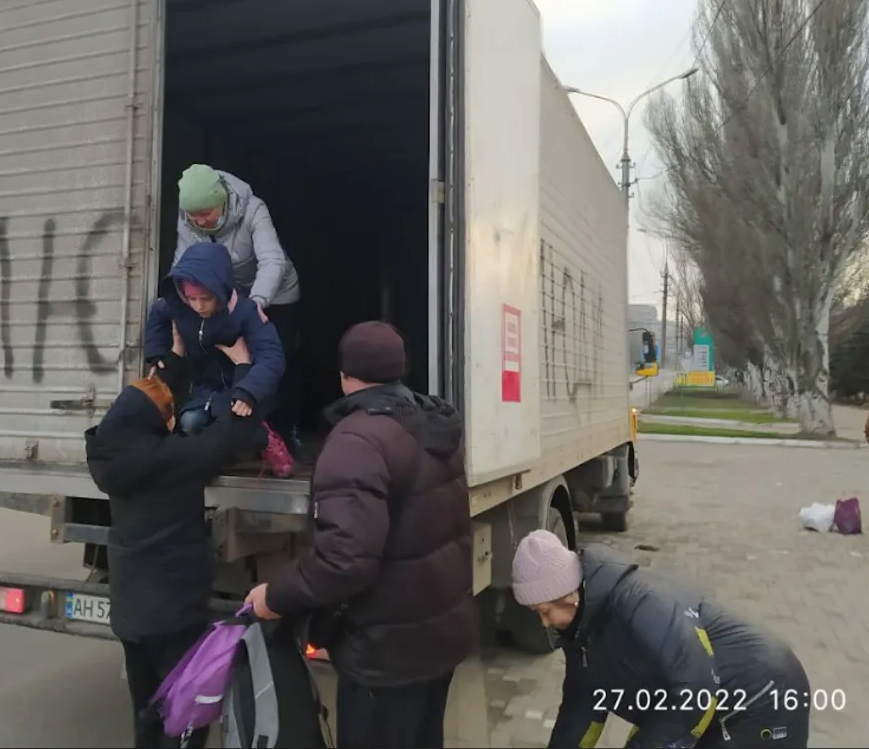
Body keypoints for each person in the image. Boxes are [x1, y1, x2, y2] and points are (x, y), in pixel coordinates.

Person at [244, 320, 477, 749]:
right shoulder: (433, 426)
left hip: (387, 653)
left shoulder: (357, 441)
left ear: (344, 375)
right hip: (438, 638)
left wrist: (274, 596)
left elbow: (344, 560)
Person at [85, 335, 262, 749]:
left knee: (147, 712)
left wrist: (175, 360)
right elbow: (231, 431)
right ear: (158, 422)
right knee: (184, 714)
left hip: (131, 615)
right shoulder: (176, 459)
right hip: (174, 615)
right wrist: (244, 369)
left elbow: (147, 407)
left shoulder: (107, 454)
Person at [511, 529, 812, 749]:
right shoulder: (582, 632)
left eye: (545, 611)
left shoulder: (640, 604)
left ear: (570, 595)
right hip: (703, 702)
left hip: (762, 696)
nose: (543, 622)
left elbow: (696, 690)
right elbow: (581, 708)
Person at [173, 164, 303, 452]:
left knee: (275, 359)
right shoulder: (188, 219)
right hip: (229, 296)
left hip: (274, 294)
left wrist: (256, 304)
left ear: (221, 201)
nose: (200, 220)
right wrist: (177, 302)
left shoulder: (253, 209)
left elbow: (273, 261)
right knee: (228, 359)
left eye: (206, 213)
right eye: (194, 215)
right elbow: (183, 262)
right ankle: (237, 427)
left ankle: (285, 428)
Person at [144, 239, 291, 474]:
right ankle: (223, 453)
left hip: (243, 384)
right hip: (203, 386)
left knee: (237, 420)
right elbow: (158, 315)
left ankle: (265, 438)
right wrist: (156, 352)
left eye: (206, 299)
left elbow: (272, 356)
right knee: (189, 423)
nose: (198, 306)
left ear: (221, 289)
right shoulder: (179, 306)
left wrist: (250, 391)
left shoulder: (245, 312)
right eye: (192, 299)